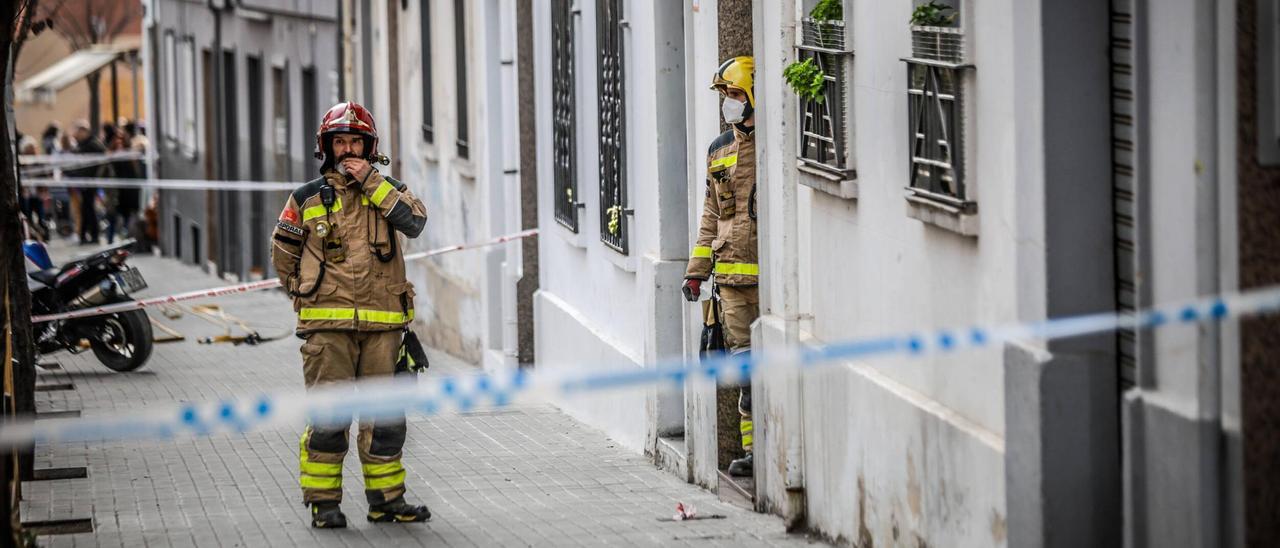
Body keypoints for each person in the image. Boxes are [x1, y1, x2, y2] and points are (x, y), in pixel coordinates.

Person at [270, 101, 431, 529]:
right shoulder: (305, 198)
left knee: (386, 423)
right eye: (339, 142)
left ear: (368, 145)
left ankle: (387, 502)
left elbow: (414, 222)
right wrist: (304, 296)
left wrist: (373, 184)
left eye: (354, 141)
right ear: (327, 147)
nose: (347, 150)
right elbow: (283, 255)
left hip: (383, 328)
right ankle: (324, 505)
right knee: (329, 420)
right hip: (327, 331)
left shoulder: (389, 189)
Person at [682, 56, 760, 478]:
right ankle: (752, 452)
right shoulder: (718, 150)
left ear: (750, 96)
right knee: (746, 373)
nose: (727, 103)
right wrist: (697, 271)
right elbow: (711, 213)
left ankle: (767, 445)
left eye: (733, 95)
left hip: (770, 279)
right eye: (724, 96)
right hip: (730, 278)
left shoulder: (771, 143)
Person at [67, 120, 111, 245]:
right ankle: (85, 235)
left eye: (77, 133)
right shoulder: (87, 144)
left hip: (89, 181)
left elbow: (89, 164)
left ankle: (92, 235)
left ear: (83, 131)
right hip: (86, 181)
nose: (76, 136)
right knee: (86, 208)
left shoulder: (92, 145)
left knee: (88, 208)